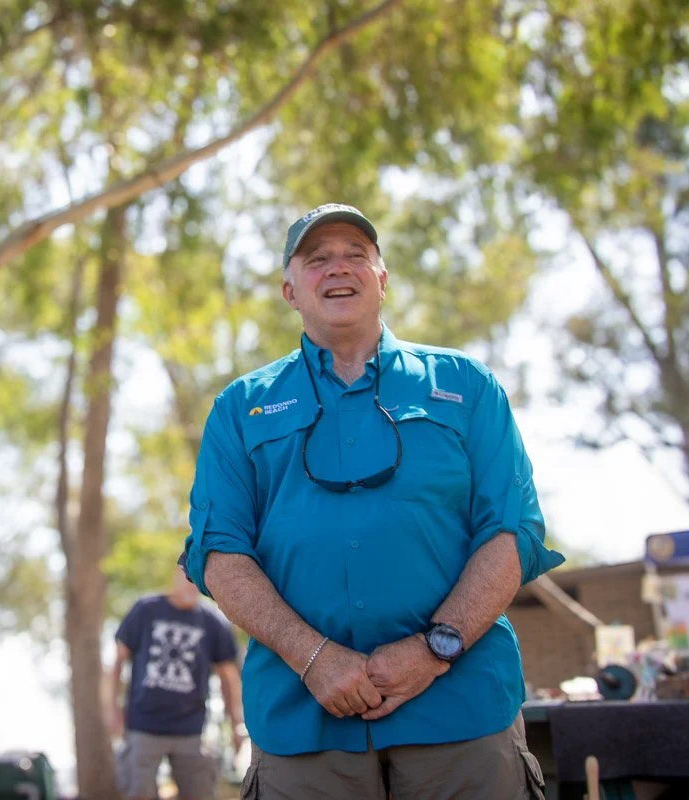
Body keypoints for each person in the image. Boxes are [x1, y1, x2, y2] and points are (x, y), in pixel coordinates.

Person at [179, 203, 563, 799]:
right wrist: (316, 659)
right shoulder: (240, 407)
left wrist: (436, 647)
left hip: (462, 711)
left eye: (356, 255)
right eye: (317, 259)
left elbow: (511, 532)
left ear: (382, 279)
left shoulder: (467, 386)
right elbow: (220, 554)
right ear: (289, 289)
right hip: (301, 723)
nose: (339, 268)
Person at [109, 566, 245, 800]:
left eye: (197, 579)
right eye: (187, 576)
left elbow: (228, 676)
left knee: (200, 793)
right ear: (174, 575)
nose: (191, 584)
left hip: (191, 729)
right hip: (143, 725)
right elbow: (117, 662)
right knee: (138, 793)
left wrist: (236, 724)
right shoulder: (146, 610)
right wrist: (111, 709)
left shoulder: (213, 622)